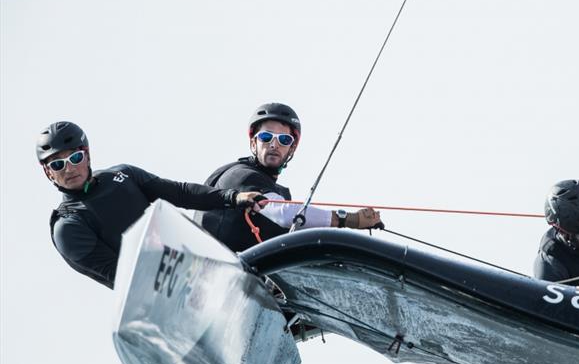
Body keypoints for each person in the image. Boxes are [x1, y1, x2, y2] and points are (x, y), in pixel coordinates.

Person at [38, 121, 265, 289]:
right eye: (58, 165)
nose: (69, 169)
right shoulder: (67, 226)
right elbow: (121, 276)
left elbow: (180, 193)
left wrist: (233, 197)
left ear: (86, 155)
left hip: (194, 259)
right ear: (48, 172)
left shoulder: (122, 175)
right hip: (162, 294)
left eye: (75, 159)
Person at [196, 102, 382, 252]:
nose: (274, 145)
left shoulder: (273, 187)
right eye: (266, 137)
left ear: (292, 148)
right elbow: (283, 213)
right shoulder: (240, 176)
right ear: (254, 143)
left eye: (284, 140)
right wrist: (348, 219)